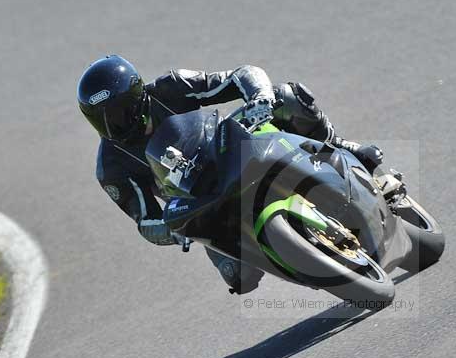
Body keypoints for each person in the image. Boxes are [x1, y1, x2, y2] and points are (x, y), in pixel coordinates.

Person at [77, 54, 383, 294]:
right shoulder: (111, 167)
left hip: (228, 149)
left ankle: (336, 145)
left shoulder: (171, 86)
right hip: (199, 201)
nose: (112, 125)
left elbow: (239, 76)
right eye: (100, 120)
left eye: (118, 113)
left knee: (288, 97)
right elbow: (144, 218)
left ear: (138, 95)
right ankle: (306, 259)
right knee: (240, 277)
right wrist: (170, 230)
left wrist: (259, 97)